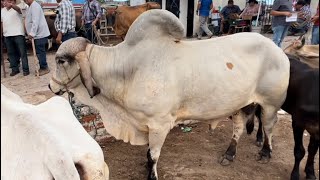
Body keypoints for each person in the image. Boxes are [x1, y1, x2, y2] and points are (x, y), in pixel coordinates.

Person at [1, 0, 30, 76]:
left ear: (11, 1)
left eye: (6, 1)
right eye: (3, 1)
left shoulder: (18, 7)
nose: (4, 3)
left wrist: (11, 5)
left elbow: (19, 11)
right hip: (7, 35)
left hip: (18, 34)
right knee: (11, 53)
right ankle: (15, 69)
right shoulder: (2, 11)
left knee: (22, 53)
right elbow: (1, 22)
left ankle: (26, 70)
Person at [25, 0, 50, 76]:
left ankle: (44, 67)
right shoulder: (31, 6)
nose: (25, 1)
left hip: (39, 34)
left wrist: (32, 33)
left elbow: (35, 21)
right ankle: (42, 66)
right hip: (37, 34)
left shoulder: (35, 6)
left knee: (40, 52)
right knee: (39, 52)